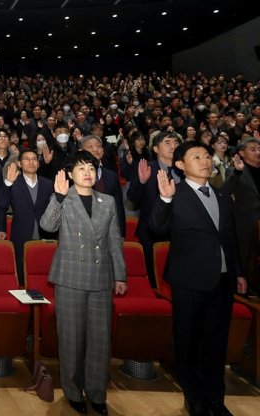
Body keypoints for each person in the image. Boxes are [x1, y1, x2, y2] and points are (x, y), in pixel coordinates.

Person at [149, 141, 247, 416]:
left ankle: (216, 399)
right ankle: (195, 399)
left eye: (206, 156)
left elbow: (230, 238)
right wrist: (165, 200)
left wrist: (238, 271)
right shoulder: (175, 194)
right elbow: (156, 227)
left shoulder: (221, 195)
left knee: (216, 344)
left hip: (222, 281)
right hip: (189, 281)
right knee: (189, 343)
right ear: (180, 164)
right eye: (196, 157)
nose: (205, 161)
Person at [39, 150, 127, 416]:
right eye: (80, 168)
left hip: (101, 278)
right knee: (71, 339)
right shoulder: (64, 197)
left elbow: (115, 240)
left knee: (100, 341)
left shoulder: (107, 201)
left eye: (91, 167)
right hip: (70, 277)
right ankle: (73, 392)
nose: (87, 172)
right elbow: (47, 226)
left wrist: (120, 275)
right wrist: (57, 197)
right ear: (70, 173)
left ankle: (98, 394)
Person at [126, 131, 180, 286]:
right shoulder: (147, 168)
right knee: (154, 278)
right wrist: (141, 182)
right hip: (150, 231)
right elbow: (132, 197)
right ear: (156, 149)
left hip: (178, 230)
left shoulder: (185, 170)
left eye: (176, 143)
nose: (173, 146)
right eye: (168, 142)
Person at [0, 149, 54, 285]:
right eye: (27, 159)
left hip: (45, 234)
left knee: (44, 273)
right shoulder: (13, 183)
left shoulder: (48, 184)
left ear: (38, 163)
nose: (31, 162)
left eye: (34, 159)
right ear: (19, 163)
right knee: (22, 276)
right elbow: (1, 204)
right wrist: (8, 183)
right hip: (21, 235)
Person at [220, 137, 260, 293]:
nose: (258, 152)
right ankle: (241, 292)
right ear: (242, 153)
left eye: (259, 148)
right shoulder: (235, 171)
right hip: (245, 225)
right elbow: (224, 191)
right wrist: (237, 172)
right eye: (253, 149)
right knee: (244, 261)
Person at [79, 135, 127, 238]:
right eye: (90, 147)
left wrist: (121, 234)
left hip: (108, 234)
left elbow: (118, 207)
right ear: (81, 151)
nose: (95, 149)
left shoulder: (111, 175)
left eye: (98, 146)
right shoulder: (74, 175)